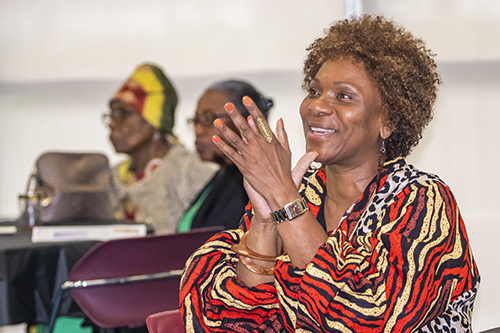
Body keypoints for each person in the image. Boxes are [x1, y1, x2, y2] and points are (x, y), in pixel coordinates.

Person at [180, 15, 480, 332]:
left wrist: (283, 197)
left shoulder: (421, 202)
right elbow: (225, 320)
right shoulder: (303, 193)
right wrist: (266, 222)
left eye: (344, 96)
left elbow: (366, 318)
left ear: (387, 121)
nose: (317, 106)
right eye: (314, 90)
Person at [103, 63, 217, 234]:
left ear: (155, 122)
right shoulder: (110, 178)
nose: (112, 123)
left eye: (123, 113)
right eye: (111, 114)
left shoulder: (191, 173)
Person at [177, 80, 273, 232]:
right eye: (196, 121)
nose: (198, 130)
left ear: (245, 120)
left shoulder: (251, 183)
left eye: (208, 119)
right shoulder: (222, 175)